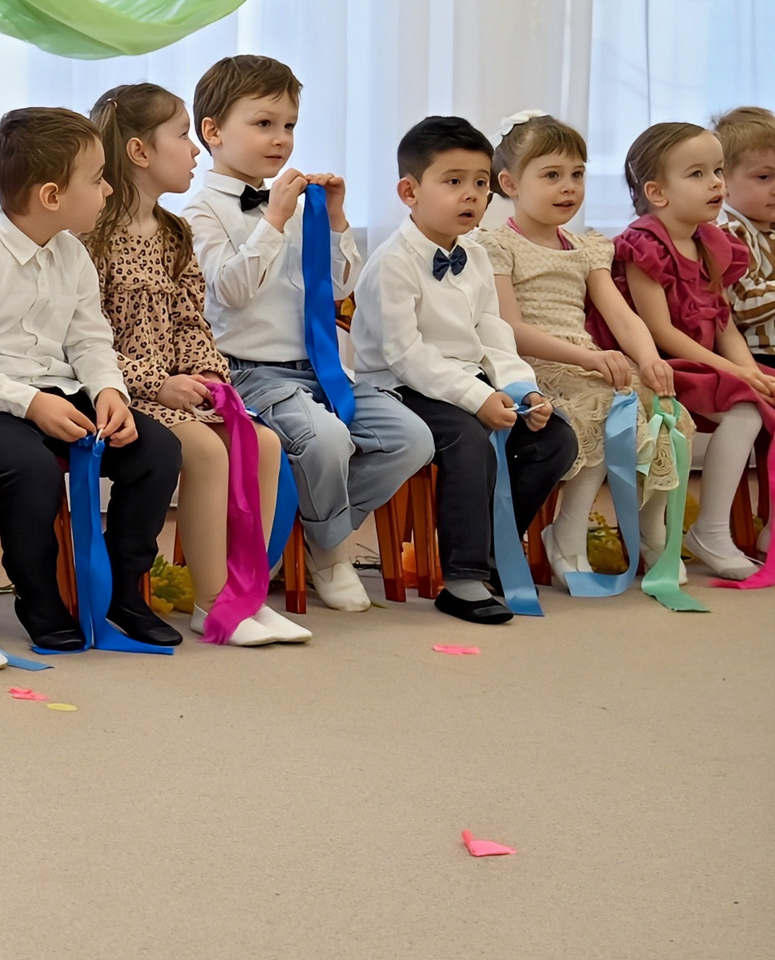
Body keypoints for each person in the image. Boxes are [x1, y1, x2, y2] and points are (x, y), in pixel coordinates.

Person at [0, 106, 184, 653]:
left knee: (157, 449)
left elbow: (90, 340)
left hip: (63, 394)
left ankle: (119, 589)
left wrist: (109, 390)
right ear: (50, 196)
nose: (108, 190)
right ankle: (38, 596)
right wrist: (29, 403)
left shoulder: (73, 254)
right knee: (32, 469)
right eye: (96, 179)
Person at [183, 54, 432, 612]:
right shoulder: (198, 213)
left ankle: (316, 532)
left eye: (289, 125)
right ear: (214, 132)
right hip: (249, 373)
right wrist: (272, 221)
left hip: (320, 370)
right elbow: (230, 290)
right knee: (326, 440)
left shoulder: (298, 207)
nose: (281, 139)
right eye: (264, 123)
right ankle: (335, 554)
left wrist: (335, 220)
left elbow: (341, 286)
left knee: (411, 439)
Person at [87, 83, 296, 644]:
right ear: (139, 152)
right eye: (182, 136)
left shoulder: (174, 233)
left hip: (179, 388)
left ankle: (244, 594)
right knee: (202, 448)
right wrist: (158, 384)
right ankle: (212, 604)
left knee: (263, 441)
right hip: (120, 394)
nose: (195, 151)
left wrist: (208, 379)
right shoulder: (91, 238)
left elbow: (191, 324)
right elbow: (82, 339)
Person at [350, 116, 577, 624]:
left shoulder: (474, 252)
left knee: (555, 439)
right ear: (410, 191)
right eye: (453, 182)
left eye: (480, 183)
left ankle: (495, 552)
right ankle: (463, 578)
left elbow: (491, 330)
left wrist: (521, 390)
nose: (471, 195)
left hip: (464, 379)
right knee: (467, 438)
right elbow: (405, 355)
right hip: (397, 387)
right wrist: (476, 400)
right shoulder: (393, 262)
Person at [474, 112, 685, 582]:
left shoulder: (586, 247)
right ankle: (566, 536)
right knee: (600, 412)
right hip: (532, 366)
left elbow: (620, 314)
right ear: (509, 183)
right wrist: (590, 358)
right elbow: (510, 327)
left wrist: (648, 359)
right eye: (551, 175)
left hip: (585, 361)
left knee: (662, 409)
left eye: (577, 174)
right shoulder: (496, 245)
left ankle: (652, 533)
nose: (568, 186)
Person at [606, 120, 775, 579]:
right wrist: (737, 375)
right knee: (746, 408)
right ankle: (710, 531)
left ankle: (751, 529)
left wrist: (751, 371)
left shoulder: (711, 243)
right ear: (657, 193)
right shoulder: (645, 244)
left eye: (718, 171)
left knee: (761, 397)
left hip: (703, 363)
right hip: (660, 364)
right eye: (698, 174)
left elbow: (723, 325)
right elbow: (661, 331)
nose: (717, 183)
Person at [711, 105, 775, 369]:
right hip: (757, 355)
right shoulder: (728, 230)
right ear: (722, 181)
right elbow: (741, 303)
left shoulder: (767, 225)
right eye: (764, 177)